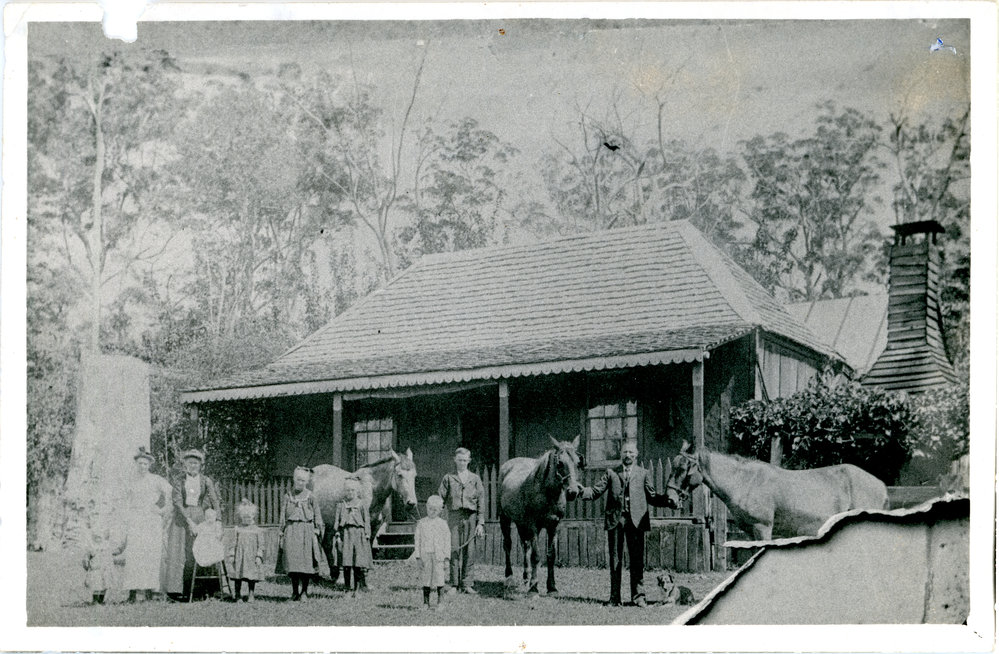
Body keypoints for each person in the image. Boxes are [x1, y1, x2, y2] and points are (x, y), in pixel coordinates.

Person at [578, 440, 675, 607]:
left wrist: (668, 500)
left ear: (636, 455)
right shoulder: (611, 473)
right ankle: (614, 597)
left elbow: (652, 497)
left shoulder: (643, 473)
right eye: (625, 452)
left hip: (637, 522)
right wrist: (580, 491)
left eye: (631, 452)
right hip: (616, 521)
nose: (628, 455)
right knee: (615, 560)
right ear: (620, 455)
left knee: (637, 560)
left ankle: (638, 597)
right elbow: (595, 491)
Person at [163, 448, 221, 601]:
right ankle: (176, 591)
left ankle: (201, 590)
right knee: (180, 553)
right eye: (190, 463)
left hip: (200, 516)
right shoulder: (179, 480)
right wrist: (188, 520)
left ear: (200, 465)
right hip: (181, 518)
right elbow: (177, 501)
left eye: (196, 463)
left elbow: (215, 501)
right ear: (185, 465)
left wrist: (219, 522)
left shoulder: (206, 480)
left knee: (201, 550)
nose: (193, 466)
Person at [122, 447, 172, 603]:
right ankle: (133, 593)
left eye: (145, 464)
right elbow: (126, 500)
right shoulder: (131, 480)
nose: (142, 466)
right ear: (136, 464)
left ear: (150, 465)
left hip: (151, 519)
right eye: (140, 463)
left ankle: (151, 592)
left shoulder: (156, 479)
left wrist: (163, 510)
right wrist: (126, 517)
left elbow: (170, 493)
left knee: (151, 554)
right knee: (134, 554)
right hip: (136, 519)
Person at [437, 447, 485, 593]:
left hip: (471, 517)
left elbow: (481, 501)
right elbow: (440, 499)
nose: (462, 463)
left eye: (465, 460)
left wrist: (480, 523)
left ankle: (467, 583)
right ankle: (454, 584)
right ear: (455, 460)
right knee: (454, 549)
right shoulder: (448, 478)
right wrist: (436, 520)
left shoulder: (475, 479)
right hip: (454, 516)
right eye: (460, 460)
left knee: (470, 550)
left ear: (469, 461)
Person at [279, 466, 324, 600]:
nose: (301, 483)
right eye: (298, 480)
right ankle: (294, 592)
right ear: (294, 480)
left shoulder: (311, 496)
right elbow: (282, 516)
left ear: (307, 482)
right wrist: (281, 532)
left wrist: (317, 530)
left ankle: (304, 591)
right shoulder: (288, 496)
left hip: (307, 531)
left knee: (306, 564)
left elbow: (317, 515)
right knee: (293, 563)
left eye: (303, 481)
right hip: (291, 531)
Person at [333, 476, 372, 596]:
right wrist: (338, 534)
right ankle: (347, 588)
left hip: (359, 535)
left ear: (357, 491)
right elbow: (337, 521)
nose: (350, 493)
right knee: (346, 563)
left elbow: (367, 521)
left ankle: (357, 589)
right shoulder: (341, 505)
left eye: (353, 490)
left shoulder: (361, 504)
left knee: (357, 563)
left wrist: (367, 534)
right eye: (348, 490)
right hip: (346, 534)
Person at [413, 494, 451, 609]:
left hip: (439, 556)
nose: (432, 512)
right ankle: (425, 602)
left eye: (435, 510)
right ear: (426, 507)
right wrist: (418, 557)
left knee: (440, 577)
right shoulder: (422, 523)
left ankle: (440, 602)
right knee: (426, 578)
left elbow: (447, 541)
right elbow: (417, 541)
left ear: (440, 510)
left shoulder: (443, 524)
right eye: (430, 509)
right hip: (426, 555)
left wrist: (446, 558)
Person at [229, 498, 265, 603]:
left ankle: (251, 594)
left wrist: (259, 556)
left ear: (253, 516)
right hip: (239, 556)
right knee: (237, 576)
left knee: (252, 577)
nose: (247, 519)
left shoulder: (257, 530)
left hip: (251, 557)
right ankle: (237, 594)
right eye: (244, 517)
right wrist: (232, 554)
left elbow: (261, 544)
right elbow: (233, 542)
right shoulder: (237, 529)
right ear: (241, 517)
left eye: (249, 517)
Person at [82, 527, 123, 605]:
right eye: (97, 537)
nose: (99, 539)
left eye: (101, 537)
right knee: (96, 584)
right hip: (96, 569)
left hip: (105, 569)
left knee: (104, 584)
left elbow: (111, 556)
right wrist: (86, 564)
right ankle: (95, 600)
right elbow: (86, 557)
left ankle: (101, 600)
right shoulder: (92, 548)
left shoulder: (107, 547)